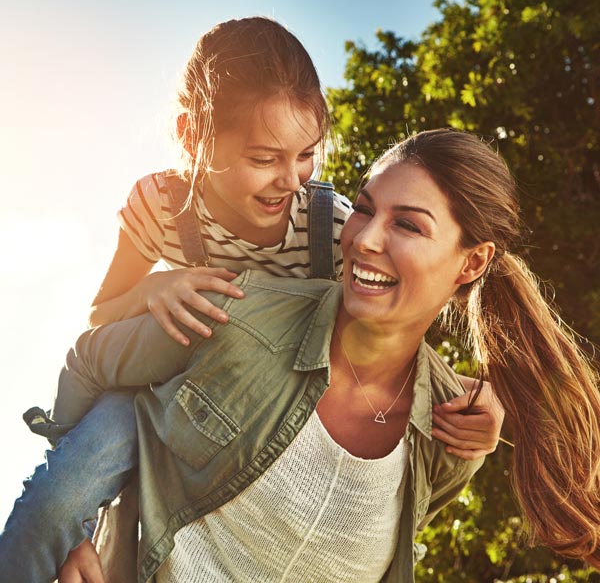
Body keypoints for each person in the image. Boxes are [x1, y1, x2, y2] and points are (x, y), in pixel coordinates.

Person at [0, 18, 502, 582]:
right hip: (156, 388)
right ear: (194, 137)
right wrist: (153, 288)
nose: (290, 180)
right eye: (264, 158)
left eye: (306, 155)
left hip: (260, 403)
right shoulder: (161, 205)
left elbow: (388, 331)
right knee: (55, 502)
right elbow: (101, 316)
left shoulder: (332, 226)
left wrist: (471, 415)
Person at [29, 129, 600, 583]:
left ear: (472, 263)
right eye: (364, 208)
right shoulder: (237, 311)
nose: (365, 239)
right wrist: (68, 521)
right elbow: (89, 360)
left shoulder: (453, 427)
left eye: (406, 224)